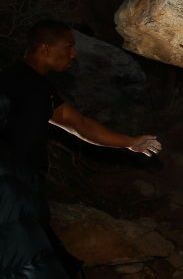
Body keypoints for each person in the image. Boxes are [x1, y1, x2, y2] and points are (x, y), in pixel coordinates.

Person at [0, 20, 162, 278]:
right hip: (9, 189)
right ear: (45, 49)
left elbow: (80, 124)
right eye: (69, 47)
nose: (73, 54)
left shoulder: (41, 87)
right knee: (28, 262)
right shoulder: (10, 82)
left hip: (27, 185)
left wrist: (129, 142)